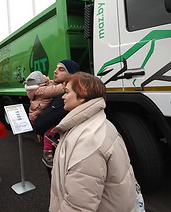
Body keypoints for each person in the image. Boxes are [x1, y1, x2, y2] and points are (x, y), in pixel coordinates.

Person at [49, 72, 141, 211]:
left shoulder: (89, 138)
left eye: (67, 92)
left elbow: (78, 206)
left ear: (82, 94)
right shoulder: (99, 123)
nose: (63, 96)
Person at [33, 59, 80, 169]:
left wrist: (38, 128)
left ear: (71, 74)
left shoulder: (65, 97)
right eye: (56, 68)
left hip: (60, 148)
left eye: (61, 69)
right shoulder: (59, 91)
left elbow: (44, 120)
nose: (55, 71)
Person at [24, 70, 64, 167]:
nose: (46, 76)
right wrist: (67, 84)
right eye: (43, 76)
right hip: (38, 116)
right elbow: (56, 89)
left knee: (48, 131)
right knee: (50, 132)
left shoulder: (38, 88)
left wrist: (47, 80)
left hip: (37, 115)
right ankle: (47, 152)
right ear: (40, 81)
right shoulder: (41, 91)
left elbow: (52, 84)